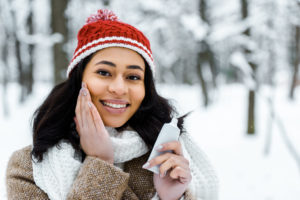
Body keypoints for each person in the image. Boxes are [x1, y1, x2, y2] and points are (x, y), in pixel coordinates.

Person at [6, 9, 218, 200]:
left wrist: (170, 198)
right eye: (104, 72)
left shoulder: (164, 161)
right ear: (78, 80)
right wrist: (100, 164)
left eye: (133, 77)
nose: (119, 88)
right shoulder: (29, 168)